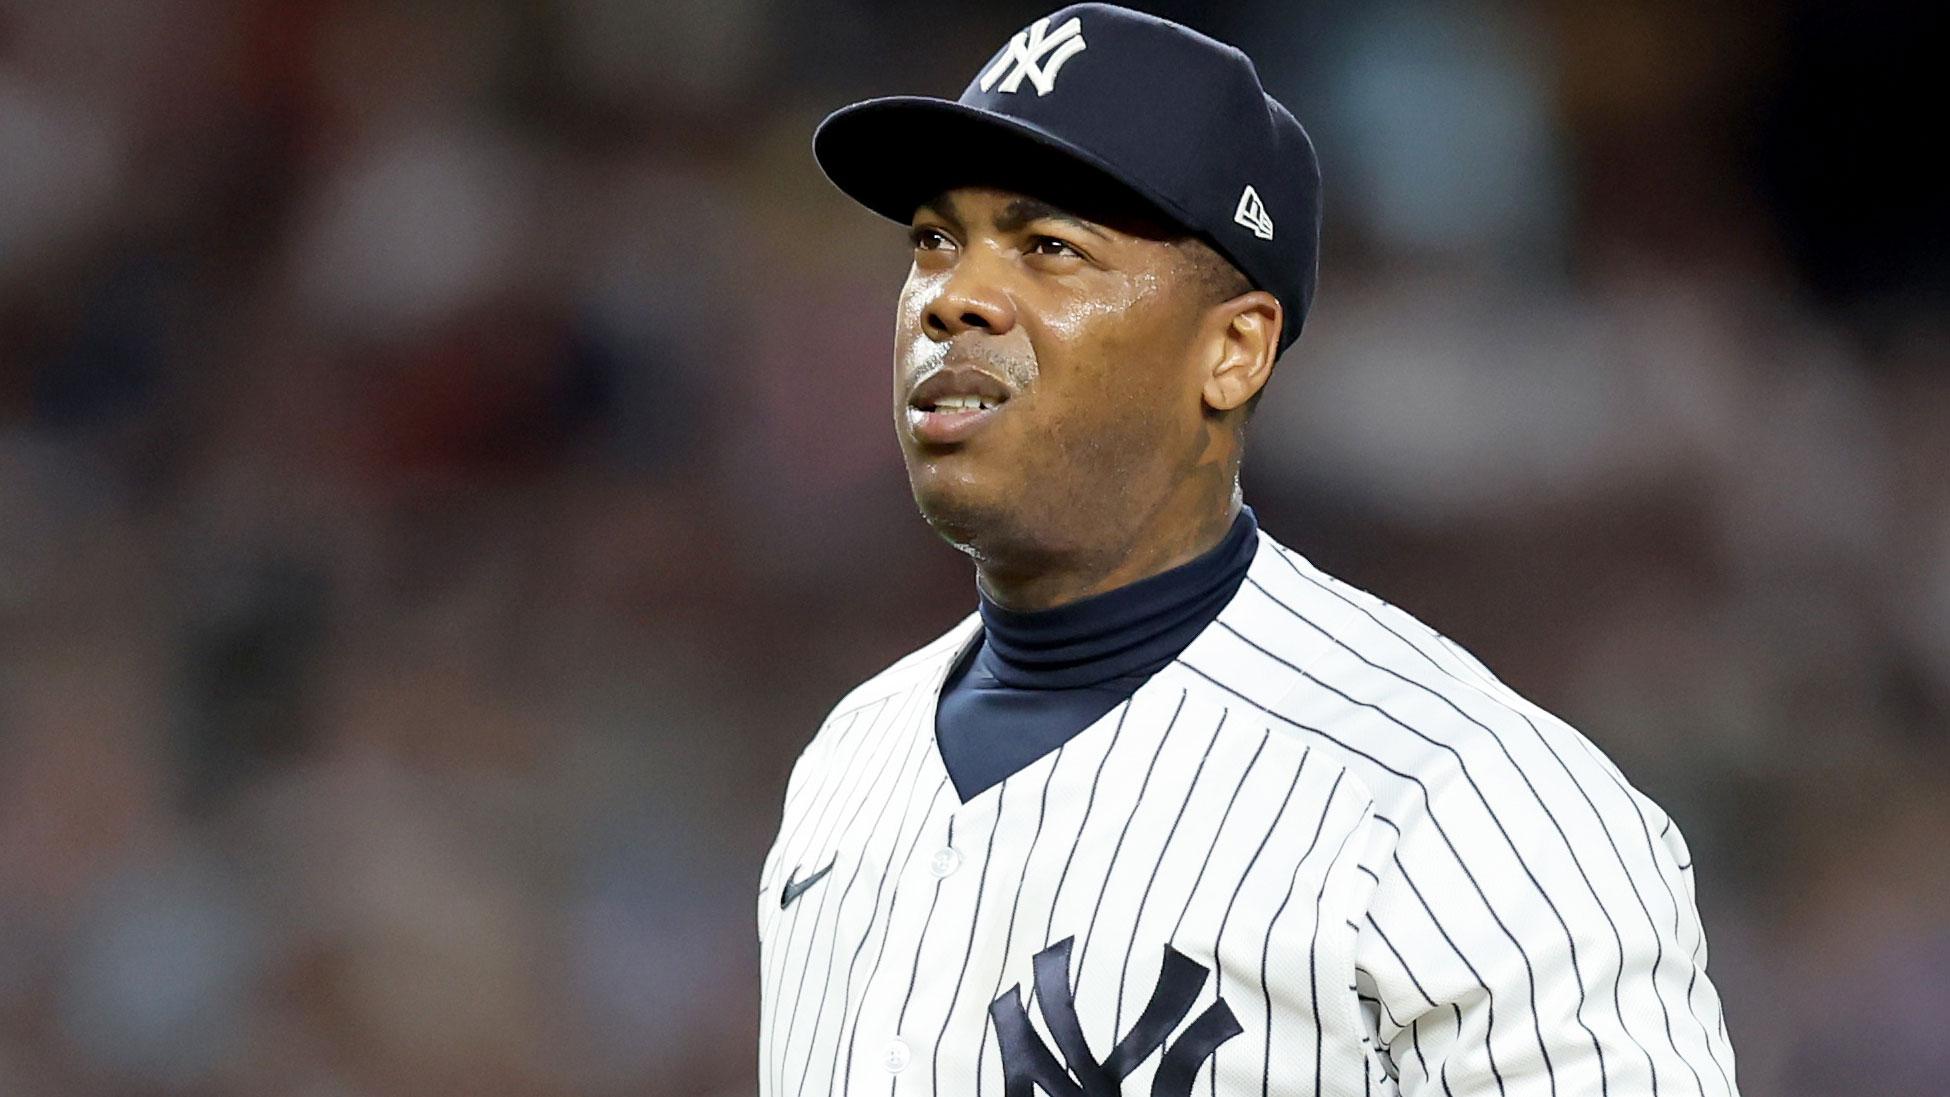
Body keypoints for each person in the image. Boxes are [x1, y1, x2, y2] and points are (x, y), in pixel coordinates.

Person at [758, 6, 1740, 1095]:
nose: (955, 297)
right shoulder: (849, 763)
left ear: (1233, 349)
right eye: (936, 239)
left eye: (1048, 247)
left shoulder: (1472, 807)